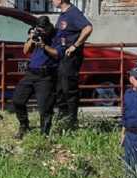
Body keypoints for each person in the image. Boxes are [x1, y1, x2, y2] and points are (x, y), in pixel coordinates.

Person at [11, 16, 59, 138]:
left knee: (45, 108)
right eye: (39, 29)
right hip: (31, 73)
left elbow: (57, 54)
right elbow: (25, 51)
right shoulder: (36, 35)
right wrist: (32, 39)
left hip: (45, 76)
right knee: (17, 99)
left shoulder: (55, 36)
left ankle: (44, 134)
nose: (41, 31)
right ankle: (24, 125)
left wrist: (44, 46)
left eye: (42, 29)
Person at [51, 0, 92, 130]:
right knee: (60, 89)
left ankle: (71, 121)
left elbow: (88, 28)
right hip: (61, 58)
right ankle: (63, 119)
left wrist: (75, 45)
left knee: (69, 88)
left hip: (71, 58)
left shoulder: (73, 13)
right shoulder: (63, 14)